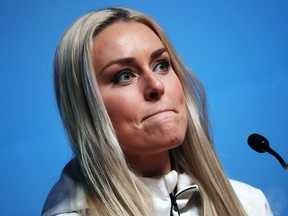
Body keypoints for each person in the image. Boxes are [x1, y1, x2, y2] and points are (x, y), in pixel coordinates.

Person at [42, 7, 273, 216]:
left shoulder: (250, 204)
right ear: (86, 107)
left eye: (161, 65)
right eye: (124, 76)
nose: (156, 86)